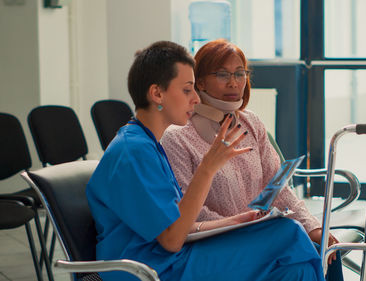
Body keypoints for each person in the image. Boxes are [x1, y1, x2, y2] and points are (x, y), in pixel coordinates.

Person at [86, 40, 325, 281]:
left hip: (174, 257)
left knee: (297, 269)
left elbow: (182, 225)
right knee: (288, 233)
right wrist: (208, 168)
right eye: (187, 90)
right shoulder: (134, 151)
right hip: (151, 268)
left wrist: (238, 220)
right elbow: (171, 239)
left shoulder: (147, 144)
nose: (195, 99)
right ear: (158, 93)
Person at [161, 39, 344, 280]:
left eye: (239, 73)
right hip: (214, 242)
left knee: (314, 256)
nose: (234, 82)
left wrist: (313, 226)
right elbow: (189, 212)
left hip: (259, 235)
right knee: (290, 233)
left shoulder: (251, 123)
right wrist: (245, 225)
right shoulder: (177, 137)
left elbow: (277, 188)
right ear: (200, 81)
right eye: (223, 74)